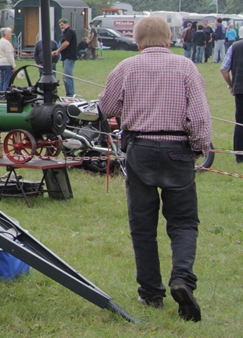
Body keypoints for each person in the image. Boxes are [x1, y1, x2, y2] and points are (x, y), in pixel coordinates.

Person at [98, 16, 210, 322]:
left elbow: (105, 108)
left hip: (140, 149)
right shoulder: (186, 67)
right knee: (183, 222)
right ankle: (182, 279)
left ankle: (150, 292)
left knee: (143, 224)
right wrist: (198, 149)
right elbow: (200, 118)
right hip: (178, 149)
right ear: (169, 39)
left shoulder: (126, 67)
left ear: (137, 42)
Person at [220, 39, 243, 165]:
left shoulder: (235, 47)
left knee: (240, 123)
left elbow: (224, 70)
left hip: (240, 89)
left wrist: (231, 85)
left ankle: (239, 156)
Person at [52, 18, 79, 97]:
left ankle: (70, 95)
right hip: (65, 57)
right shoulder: (64, 33)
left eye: (62, 24)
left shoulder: (69, 31)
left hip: (69, 57)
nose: (61, 26)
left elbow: (66, 43)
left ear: (67, 24)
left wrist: (58, 51)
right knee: (67, 76)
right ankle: (70, 94)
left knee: (67, 76)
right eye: (60, 25)